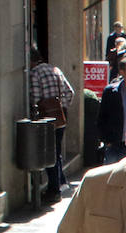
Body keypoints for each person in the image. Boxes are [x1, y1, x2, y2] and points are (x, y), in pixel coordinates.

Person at [29, 48, 74, 204]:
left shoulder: (35, 73)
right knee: (56, 151)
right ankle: (60, 183)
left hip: (45, 119)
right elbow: (70, 92)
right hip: (59, 117)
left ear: (31, 61)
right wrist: (60, 107)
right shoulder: (55, 70)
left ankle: (54, 189)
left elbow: (34, 98)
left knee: (49, 153)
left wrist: (37, 112)